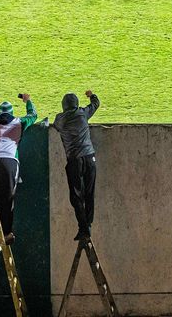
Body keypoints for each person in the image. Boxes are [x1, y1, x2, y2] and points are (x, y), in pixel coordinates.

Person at [0, 88, 38, 244]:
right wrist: (28, 101)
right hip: (10, 163)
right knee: (7, 199)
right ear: (12, 112)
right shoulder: (19, 122)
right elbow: (33, 115)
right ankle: (5, 233)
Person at [52, 90, 100, 241]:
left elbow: (56, 125)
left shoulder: (60, 119)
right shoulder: (82, 113)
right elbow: (95, 104)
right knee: (89, 193)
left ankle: (83, 228)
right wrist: (91, 95)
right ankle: (88, 225)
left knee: (76, 196)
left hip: (74, 161)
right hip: (89, 157)